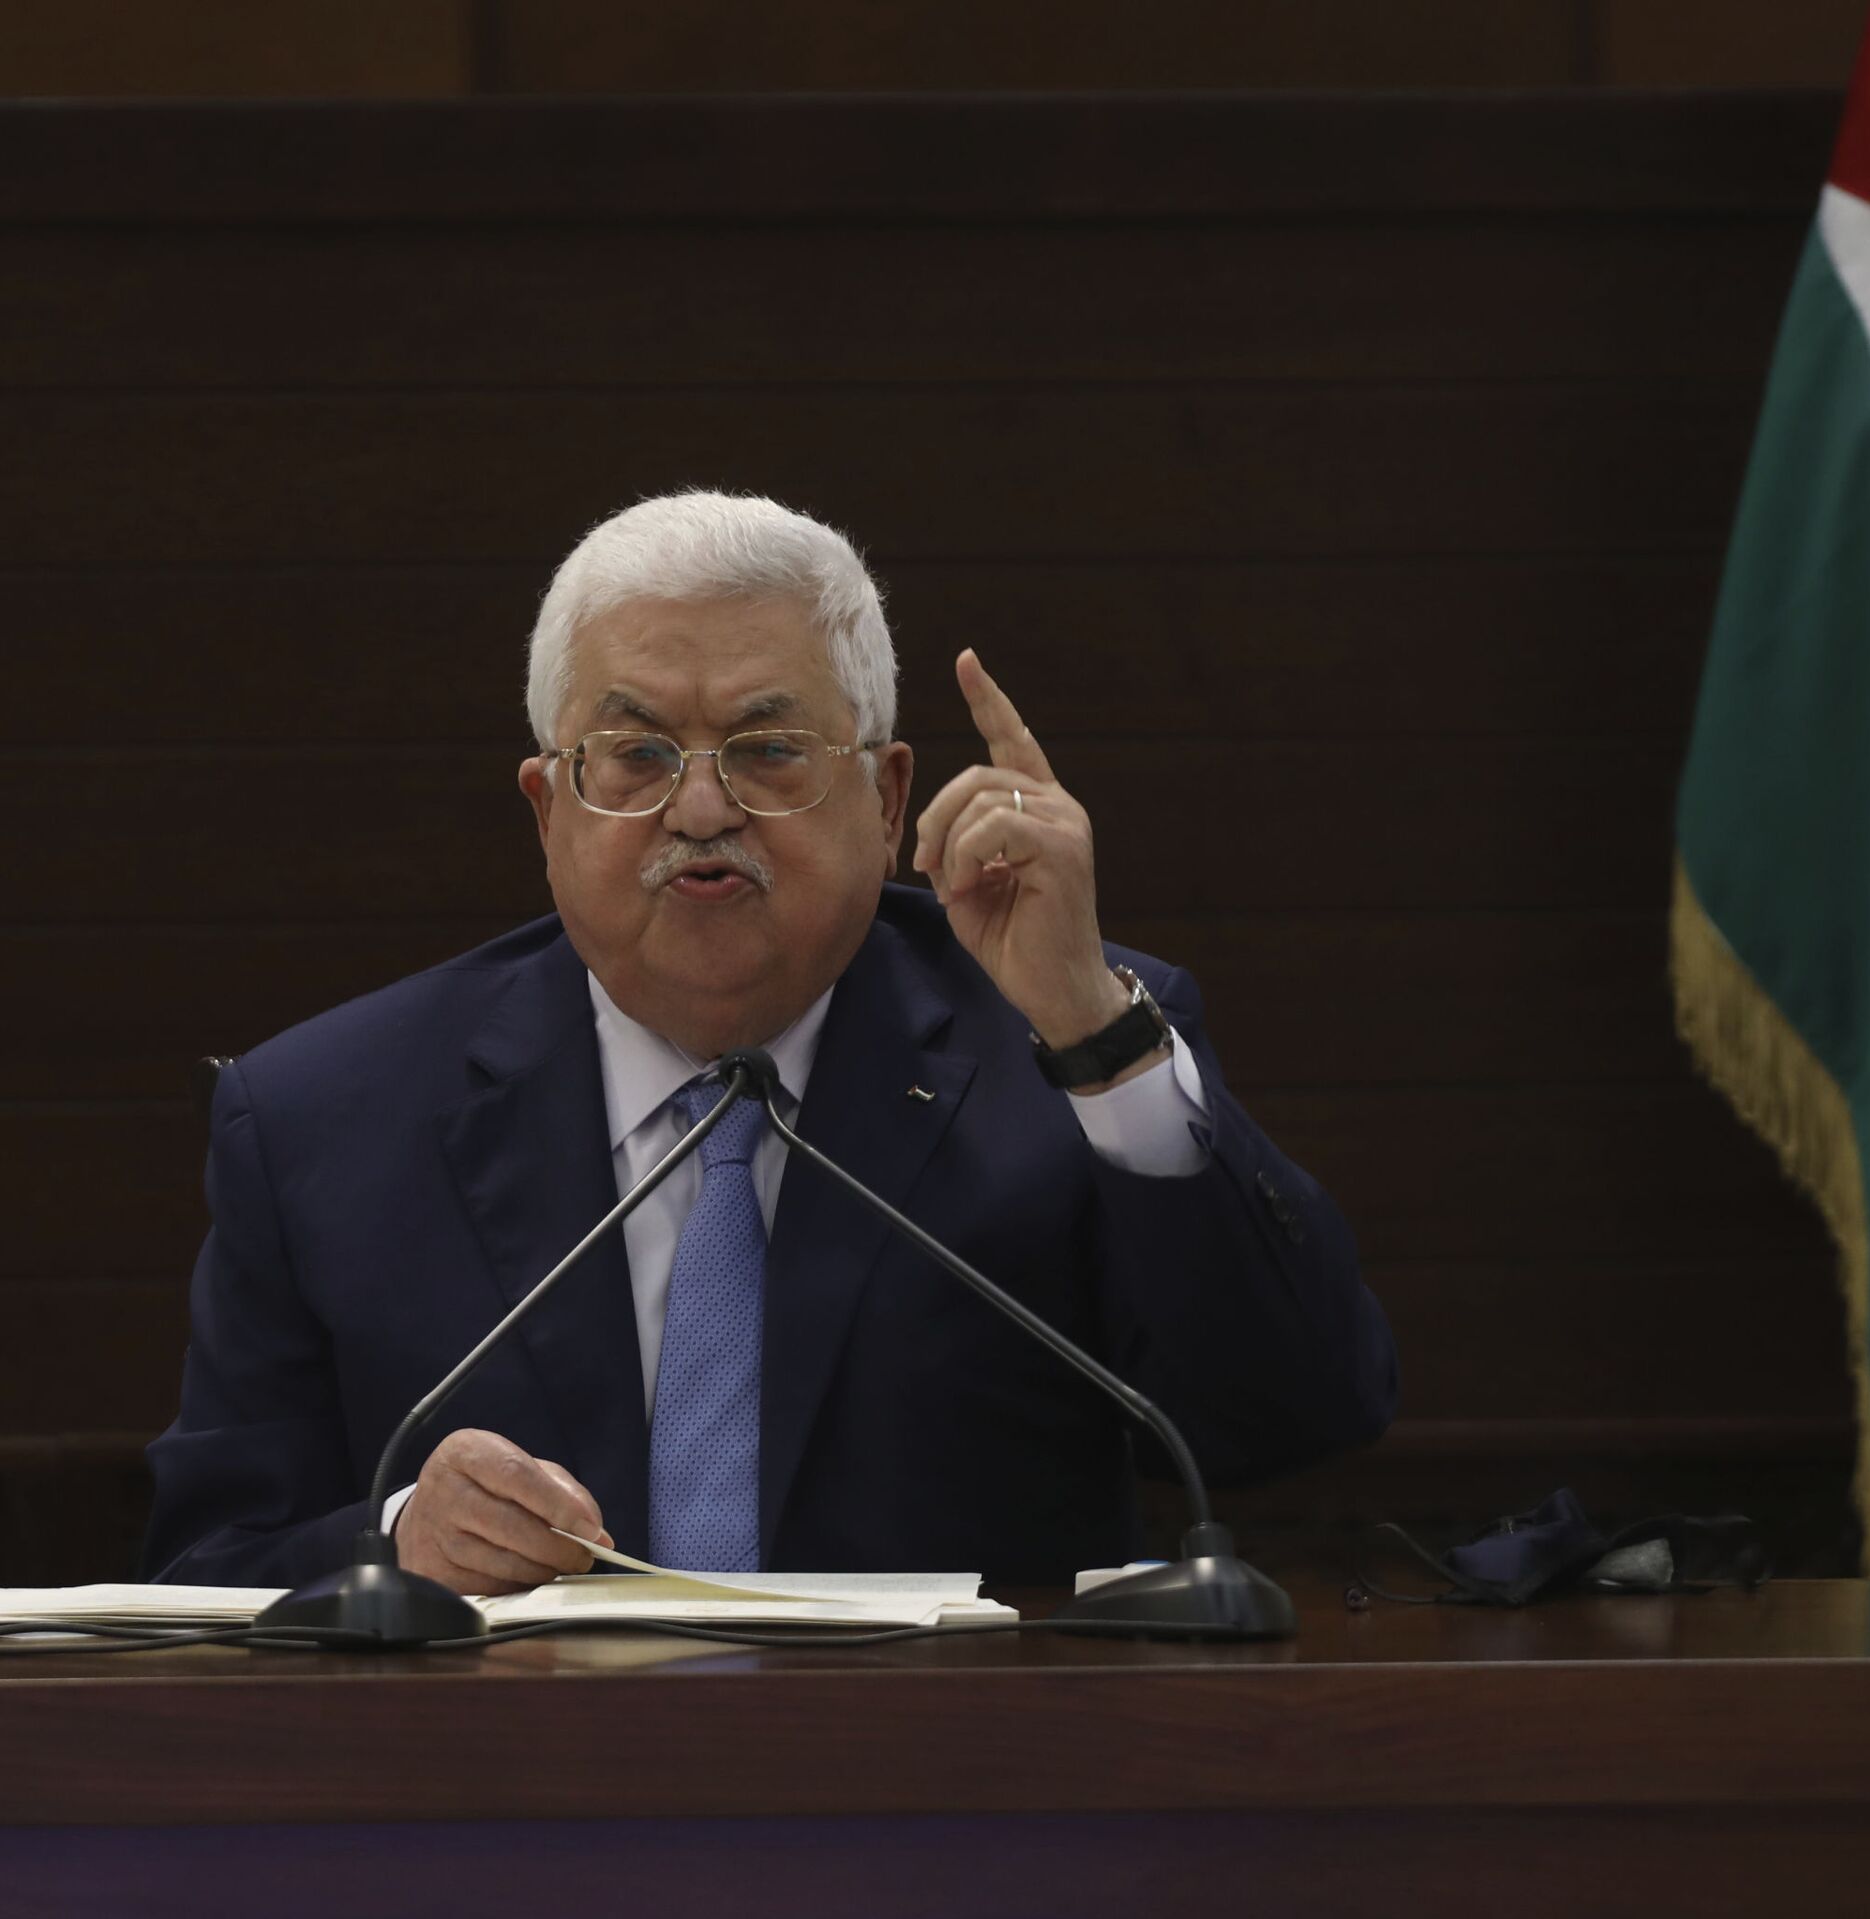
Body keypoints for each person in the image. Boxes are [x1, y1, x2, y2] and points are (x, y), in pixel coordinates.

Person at [144, 491, 1396, 1592]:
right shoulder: (323, 1118)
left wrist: (1096, 1036)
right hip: (516, 1781)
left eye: (769, 751)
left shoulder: (1060, 1041)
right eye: (635, 755)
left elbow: (1292, 1420)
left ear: (888, 799)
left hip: (962, 1773)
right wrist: (398, 1538)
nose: (700, 807)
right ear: (547, 811)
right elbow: (202, 1568)